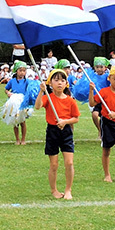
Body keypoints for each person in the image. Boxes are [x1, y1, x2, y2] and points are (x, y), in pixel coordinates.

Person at [37, 67, 81, 200]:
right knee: (54, 164)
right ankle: (54, 190)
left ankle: (68, 190)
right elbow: (38, 106)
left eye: (62, 80)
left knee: (69, 163)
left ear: (66, 83)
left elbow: (76, 118)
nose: (59, 83)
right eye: (56, 80)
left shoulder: (70, 100)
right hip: (52, 132)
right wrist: (41, 91)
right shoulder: (48, 98)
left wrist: (65, 121)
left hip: (66, 132)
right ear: (51, 83)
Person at [5, 61, 31, 145]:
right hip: (14, 102)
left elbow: (30, 89)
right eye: (20, 70)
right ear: (16, 71)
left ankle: (23, 139)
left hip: (22, 102)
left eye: (24, 70)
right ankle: (17, 139)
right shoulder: (12, 81)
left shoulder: (27, 81)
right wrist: (8, 93)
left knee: (22, 121)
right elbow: (6, 89)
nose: (22, 72)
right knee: (15, 122)